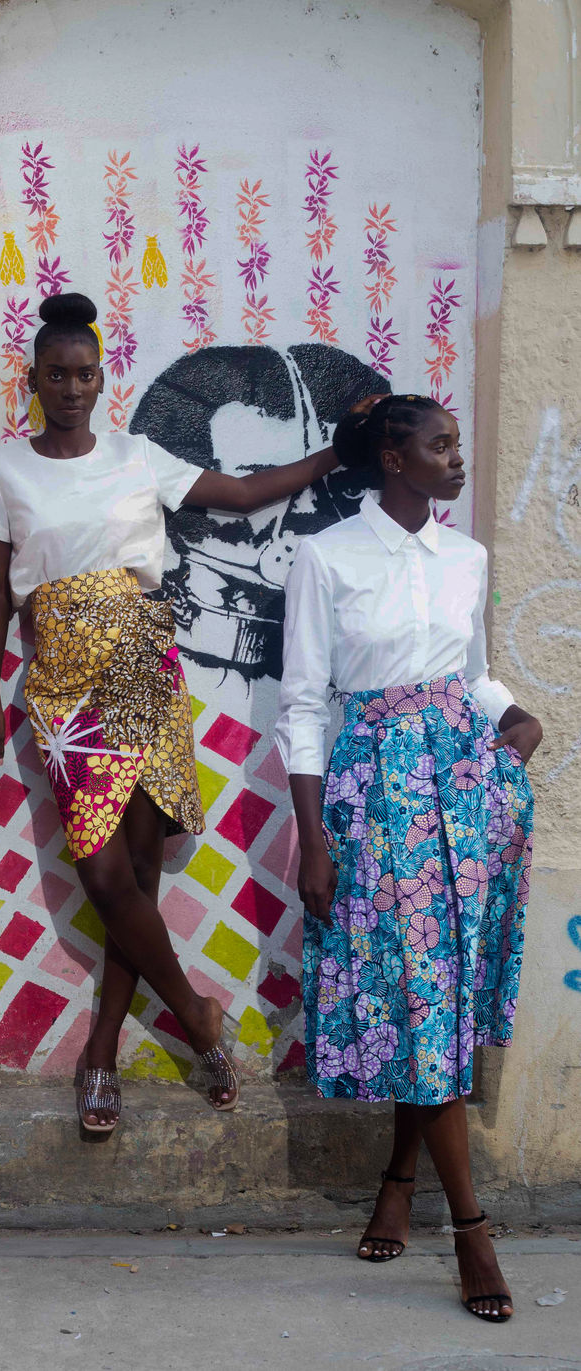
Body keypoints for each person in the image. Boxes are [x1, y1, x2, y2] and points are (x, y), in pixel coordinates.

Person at [0, 292, 339, 1132]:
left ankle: (100, 1056)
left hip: (139, 657)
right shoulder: (6, 468)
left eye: (85, 374)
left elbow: (244, 495)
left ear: (102, 380)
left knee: (138, 870)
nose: (71, 387)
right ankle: (196, 1014)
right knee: (100, 872)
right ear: (33, 380)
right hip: (61, 677)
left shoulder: (139, 457)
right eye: (56, 374)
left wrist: (330, 457)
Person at [276, 392, 540, 1322]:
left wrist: (509, 711)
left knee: (441, 994)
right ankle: (471, 1229)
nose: (456, 458)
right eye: (439, 445)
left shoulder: (465, 556)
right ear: (394, 457)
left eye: (457, 443)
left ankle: (398, 1177)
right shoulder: (327, 556)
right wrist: (313, 837)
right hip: (375, 794)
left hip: (466, 793)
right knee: (416, 994)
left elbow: (468, 669)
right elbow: (305, 702)